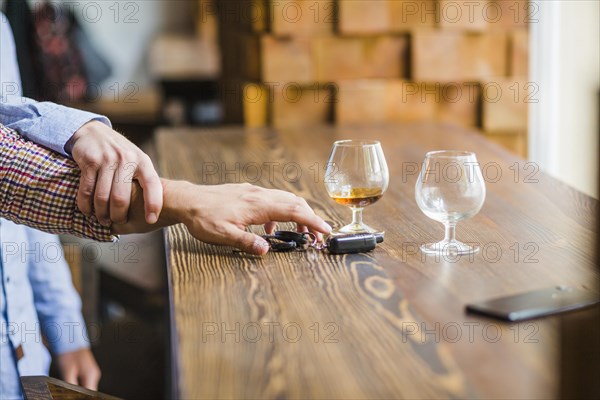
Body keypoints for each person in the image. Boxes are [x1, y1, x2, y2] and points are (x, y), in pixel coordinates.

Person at [1, 12, 330, 399]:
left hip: (27, 360)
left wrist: (67, 331)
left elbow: (18, 215)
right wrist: (187, 200)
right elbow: (13, 179)